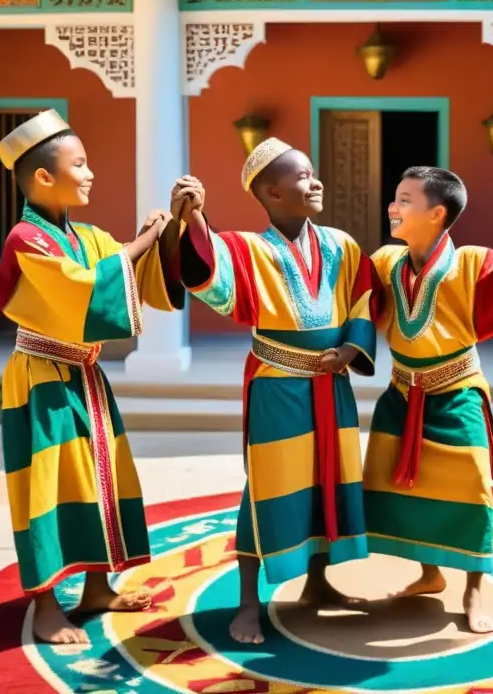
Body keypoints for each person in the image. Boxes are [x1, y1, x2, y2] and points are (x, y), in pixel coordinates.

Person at [169, 137, 377, 645]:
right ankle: (247, 603)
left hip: (332, 384)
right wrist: (194, 219)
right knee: (268, 488)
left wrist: (352, 349)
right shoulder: (248, 248)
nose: (317, 181)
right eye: (304, 176)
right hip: (278, 386)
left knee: (326, 479)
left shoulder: (342, 245)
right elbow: (208, 270)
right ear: (271, 192)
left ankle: (318, 583)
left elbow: (363, 297)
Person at [0, 110, 185, 644]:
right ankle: (45, 605)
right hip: (40, 377)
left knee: (102, 479)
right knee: (48, 487)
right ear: (43, 178)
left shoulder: (88, 234)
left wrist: (175, 226)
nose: (91, 172)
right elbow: (84, 288)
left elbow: (136, 279)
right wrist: (145, 239)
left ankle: (98, 587)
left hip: (84, 374)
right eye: (79, 164)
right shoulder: (26, 239)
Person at [363, 165, 493, 634]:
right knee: (401, 490)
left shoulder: (471, 261)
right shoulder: (386, 262)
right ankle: (428, 574)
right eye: (395, 197)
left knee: (472, 490)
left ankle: (474, 588)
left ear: (437, 214)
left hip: (457, 395)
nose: (393, 206)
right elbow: (352, 298)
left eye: (405, 200)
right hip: (401, 393)